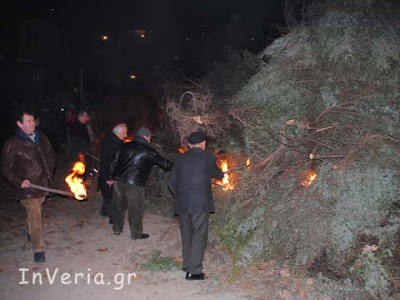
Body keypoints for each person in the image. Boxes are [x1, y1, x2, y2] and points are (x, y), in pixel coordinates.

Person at [1, 108, 55, 263]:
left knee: (36, 212)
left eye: (33, 120)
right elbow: (5, 168)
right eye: (28, 121)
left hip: (43, 185)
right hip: (27, 188)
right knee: (35, 213)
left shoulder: (41, 137)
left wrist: (49, 172)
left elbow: (50, 155)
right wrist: (19, 181)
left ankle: (28, 228)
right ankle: (38, 249)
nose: (33, 124)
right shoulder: (12, 143)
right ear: (19, 124)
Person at [168, 131, 224, 280]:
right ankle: (194, 271)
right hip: (200, 203)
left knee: (187, 235)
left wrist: (180, 196)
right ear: (203, 144)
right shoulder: (208, 157)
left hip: (182, 204)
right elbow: (219, 175)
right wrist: (218, 173)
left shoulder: (180, 159)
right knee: (199, 235)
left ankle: (187, 264)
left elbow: (171, 183)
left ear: (190, 145)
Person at [108, 127, 172, 239]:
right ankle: (136, 233)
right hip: (134, 184)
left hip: (118, 181)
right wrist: (178, 165)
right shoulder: (148, 151)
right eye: (150, 137)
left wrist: (111, 176)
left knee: (118, 206)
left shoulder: (124, 145)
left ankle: (117, 229)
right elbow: (165, 164)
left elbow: (114, 162)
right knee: (136, 208)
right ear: (147, 137)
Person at [99, 123, 127, 224]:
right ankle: (113, 218)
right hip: (109, 173)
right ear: (118, 133)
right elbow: (110, 162)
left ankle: (105, 211)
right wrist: (109, 177)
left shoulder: (110, 137)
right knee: (112, 195)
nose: (126, 136)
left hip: (105, 172)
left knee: (106, 193)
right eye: (124, 133)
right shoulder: (113, 145)